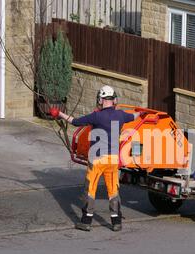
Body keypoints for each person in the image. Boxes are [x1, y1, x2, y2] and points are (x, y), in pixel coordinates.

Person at [50, 85, 142, 232]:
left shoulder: (96, 116)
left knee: (90, 189)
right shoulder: (121, 115)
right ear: (114, 100)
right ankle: (116, 221)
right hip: (112, 159)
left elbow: (75, 121)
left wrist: (59, 113)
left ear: (101, 99)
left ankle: (86, 221)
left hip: (97, 159)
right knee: (113, 190)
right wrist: (142, 113)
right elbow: (135, 116)